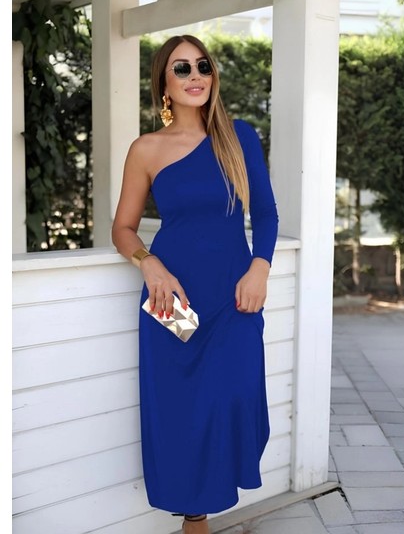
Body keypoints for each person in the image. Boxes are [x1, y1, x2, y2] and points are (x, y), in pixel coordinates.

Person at [111, 34, 279, 534]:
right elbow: (123, 228)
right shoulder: (146, 149)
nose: (195, 76)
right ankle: (194, 519)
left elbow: (266, 213)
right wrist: (149, 264)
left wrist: (260, 267)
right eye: (181, 68)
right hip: (172, 299)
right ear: (164, 83)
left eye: (202, 66)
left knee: (232, 395)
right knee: (183, 410)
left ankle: (207, 503)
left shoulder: (239, 136)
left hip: (234, 296)